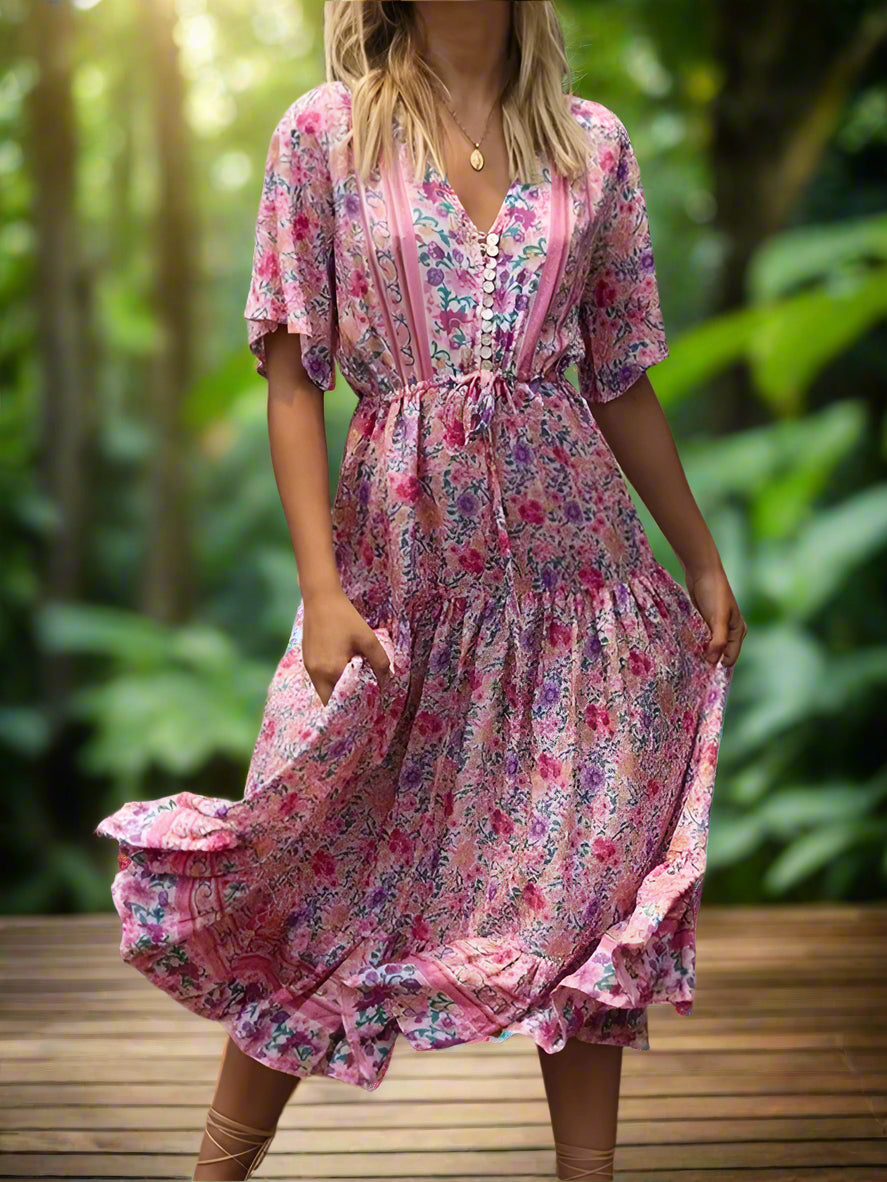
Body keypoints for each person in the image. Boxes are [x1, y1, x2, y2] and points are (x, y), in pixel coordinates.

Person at [94, 2, 746, 1179]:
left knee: (586, 891)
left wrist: (694, 553)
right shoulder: (324, 134)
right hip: (400, 577)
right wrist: (322, 587)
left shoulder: (591, 144)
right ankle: (214, 1173)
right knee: (314, 862)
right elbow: (292, 375)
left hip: (573, 587)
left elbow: (619, 378)